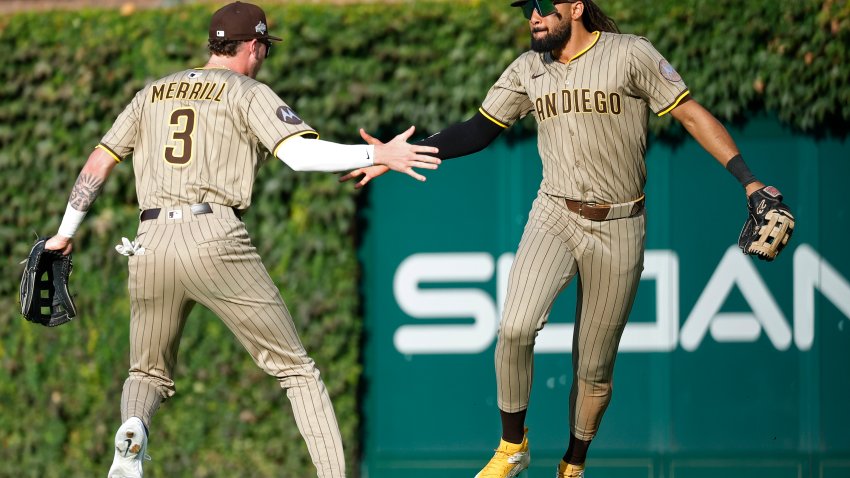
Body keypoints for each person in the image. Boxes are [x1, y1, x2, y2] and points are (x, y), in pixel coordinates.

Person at [341, 1, 793, 477]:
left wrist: (750, 181)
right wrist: (395, 154)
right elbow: (477, 130)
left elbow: (691, 115)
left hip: (621, 224)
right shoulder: (528, 69)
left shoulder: (630, 54)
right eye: (525, 9)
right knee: (514, 328)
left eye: (542, 5)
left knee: (594, 370)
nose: (532, 15)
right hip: (554, 213)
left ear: (575, 7)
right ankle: (512, 447)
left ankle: (572, 465)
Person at [43, 2, 439, 477]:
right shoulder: (246, 91)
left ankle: (133, 428)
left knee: (145, 372)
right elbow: (298, 155)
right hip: (213, 235)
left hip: (147, 241)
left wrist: (64, 234)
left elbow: (97, 166)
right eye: (264, 48)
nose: (264, 57)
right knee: (296, 370)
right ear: (252, 45)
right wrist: (379, 151)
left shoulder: (151, 93)